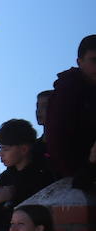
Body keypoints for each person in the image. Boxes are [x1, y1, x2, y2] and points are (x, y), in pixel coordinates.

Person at [45, 34, 96, 185]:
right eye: (94, 60)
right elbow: (57, 140)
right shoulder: (67, 91)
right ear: (79, 62)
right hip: (75, 176)